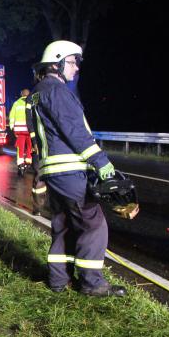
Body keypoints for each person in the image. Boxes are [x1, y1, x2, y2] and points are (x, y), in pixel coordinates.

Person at [29, 40, 126, 297]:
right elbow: (74, 130)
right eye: (72, 62)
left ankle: (58, 281)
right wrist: (100, 161)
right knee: (92, 224)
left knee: (63, 225)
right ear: (57, 63)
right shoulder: (57, 91)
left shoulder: (39, 92)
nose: (76, 68)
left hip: (54, 172)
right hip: (69, 170)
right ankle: (92, 284)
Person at [9, 89, 33, 174]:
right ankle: (28, 162)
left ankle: (20, 165)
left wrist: (12, 127)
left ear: (21, 94)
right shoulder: (32, 102)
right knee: (30, 147)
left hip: (19, 131)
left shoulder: (16, 103)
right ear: (29, 94)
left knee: (21, 148)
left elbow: (12, 116)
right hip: (30, 130)